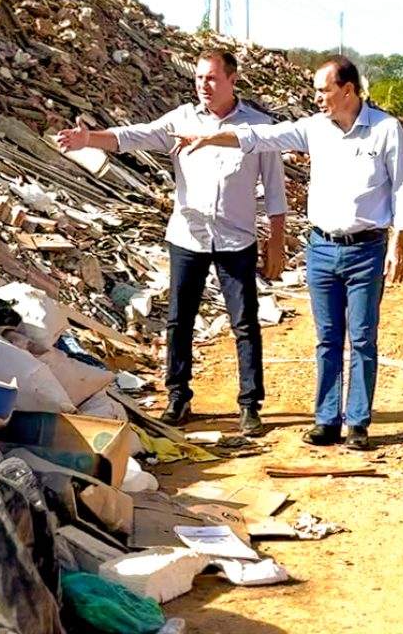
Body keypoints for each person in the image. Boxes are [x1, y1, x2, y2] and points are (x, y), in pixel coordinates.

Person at [172, 55, 403, 450]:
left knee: (362, 338)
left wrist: (399, 246)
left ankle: (357, 423)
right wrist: (211, 137)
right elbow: (260, 137)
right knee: (327, 338)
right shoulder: (314, 129)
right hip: (321, 249)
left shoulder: (386, 130)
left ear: (348, 90)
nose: (317, 98)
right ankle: (327, 419)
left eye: (324, 90)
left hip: (367, 249)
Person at [54, 48, 287, 437]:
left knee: (244, 323)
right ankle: (178, 397)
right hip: (188, 237)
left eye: (212, 78)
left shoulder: (257, 128)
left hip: (236, 240)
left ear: (232, 79)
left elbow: (275, 191)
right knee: (180, 321)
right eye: (198, 78)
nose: (203, 85)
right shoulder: (181, 119)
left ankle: (250, 405)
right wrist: (89, 139)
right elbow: (135, 135)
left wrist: (276, 240)